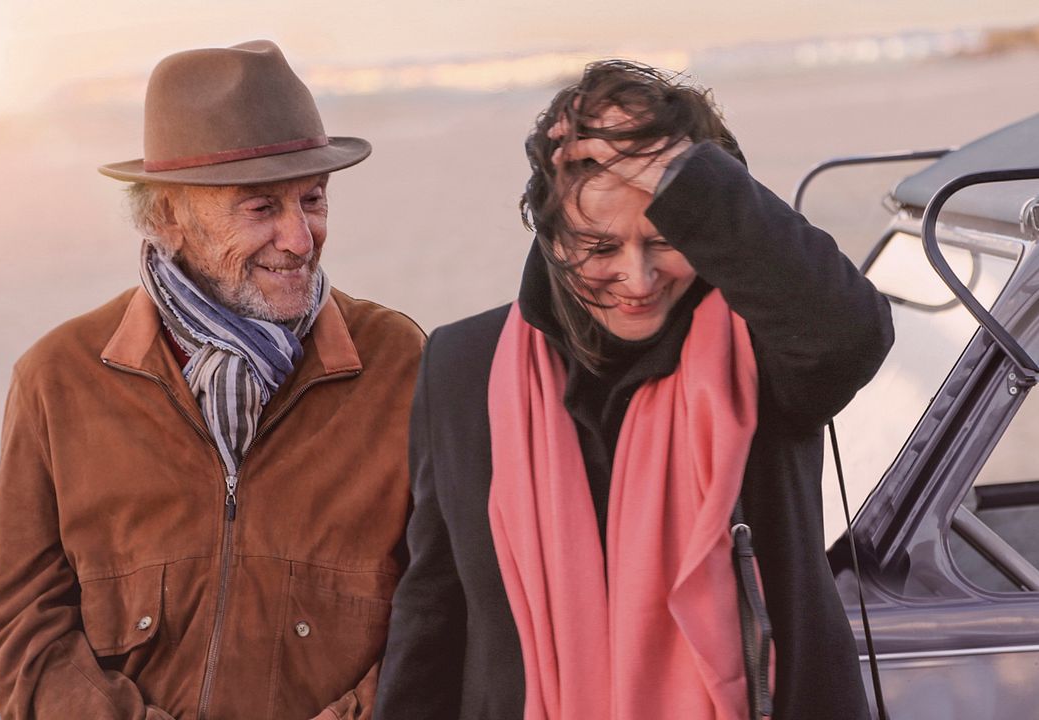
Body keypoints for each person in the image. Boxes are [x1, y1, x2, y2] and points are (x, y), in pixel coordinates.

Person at [373, 60, 892, 719]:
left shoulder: (764, 347)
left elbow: (851, 332)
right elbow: (433, 607)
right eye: (598, 246)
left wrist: (679, 172)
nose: (638, 278)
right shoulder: (462, 365)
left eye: (664, 239)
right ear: (550, 235)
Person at [0, 40, 424, 720]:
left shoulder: (400, 363)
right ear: (165, 217)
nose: (301, 238)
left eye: (312, 199)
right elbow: (21, 630)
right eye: (260, 208)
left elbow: (446, 601)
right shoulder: (56, 379)